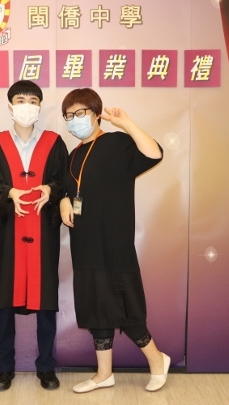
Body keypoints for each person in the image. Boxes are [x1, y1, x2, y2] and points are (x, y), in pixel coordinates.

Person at [59, 88, 169, 393]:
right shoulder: (73, 155)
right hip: (85, 245)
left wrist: (127, 124)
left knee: (125, 307)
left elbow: (155, 153)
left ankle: (157, 360)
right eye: (69, 115)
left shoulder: (117, 143)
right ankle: (104, 373)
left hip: (115, 245)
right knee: (96, 310)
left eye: (81, 113)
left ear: (96, 113)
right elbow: (68, 189)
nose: (74, 119)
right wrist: (63, 200)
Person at [0, 80, 68, 391]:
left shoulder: (54, 142)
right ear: (10, 106)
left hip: (43, 234)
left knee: (45, 302)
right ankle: (4, 368)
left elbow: (63, 181)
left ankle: (46, 367)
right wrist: (9, 193)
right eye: (21, 100)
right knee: (5, 302)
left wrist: (50, 188)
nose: (27, 106)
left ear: (39, 107)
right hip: (8, 235)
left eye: (33, 101)